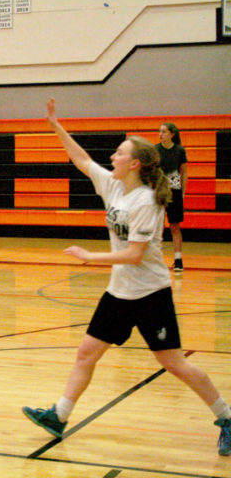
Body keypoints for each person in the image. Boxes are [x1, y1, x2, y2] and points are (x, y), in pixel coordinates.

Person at [22, 99, 231, 457]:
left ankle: (227, 417)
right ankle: (59, 415)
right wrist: (55, 125)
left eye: (119, 153)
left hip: (151, 294)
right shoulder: (114, 186)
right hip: (119, 293)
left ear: (134, 163)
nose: (112, 157)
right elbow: (81, 159)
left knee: (174, 363)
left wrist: (91, 257)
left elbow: (134, 256)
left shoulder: (148, 201)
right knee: (86, 353)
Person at [156, 123, 188, 272]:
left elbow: (185, 172)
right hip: (160, 192)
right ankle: (155, 259)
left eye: (163, 132)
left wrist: (183, 191)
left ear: (171, 134)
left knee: (175, 226)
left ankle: (178, 259)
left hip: (174, 192)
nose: (160, 134)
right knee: (158, 226)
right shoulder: (155, 149)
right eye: (160, 132)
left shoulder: (179, 150)